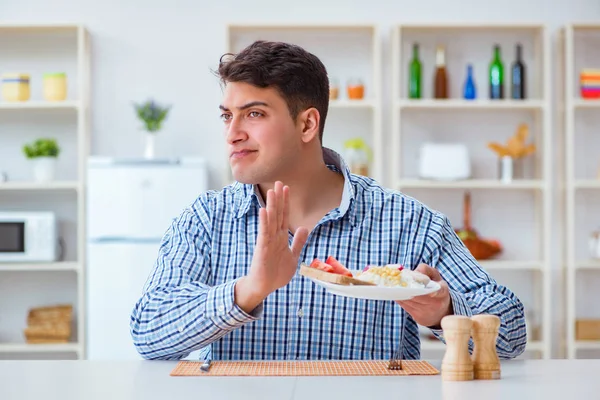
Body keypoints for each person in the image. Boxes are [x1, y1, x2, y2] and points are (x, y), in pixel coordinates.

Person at [129, 40, 527, 361]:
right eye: (226, 116)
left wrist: (445, 312)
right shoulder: (205, 219)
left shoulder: (409, 222)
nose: (232, 133)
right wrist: (248, 291)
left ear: (307, 124)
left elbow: (512, 334)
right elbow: (148, 332)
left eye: (253, 114)